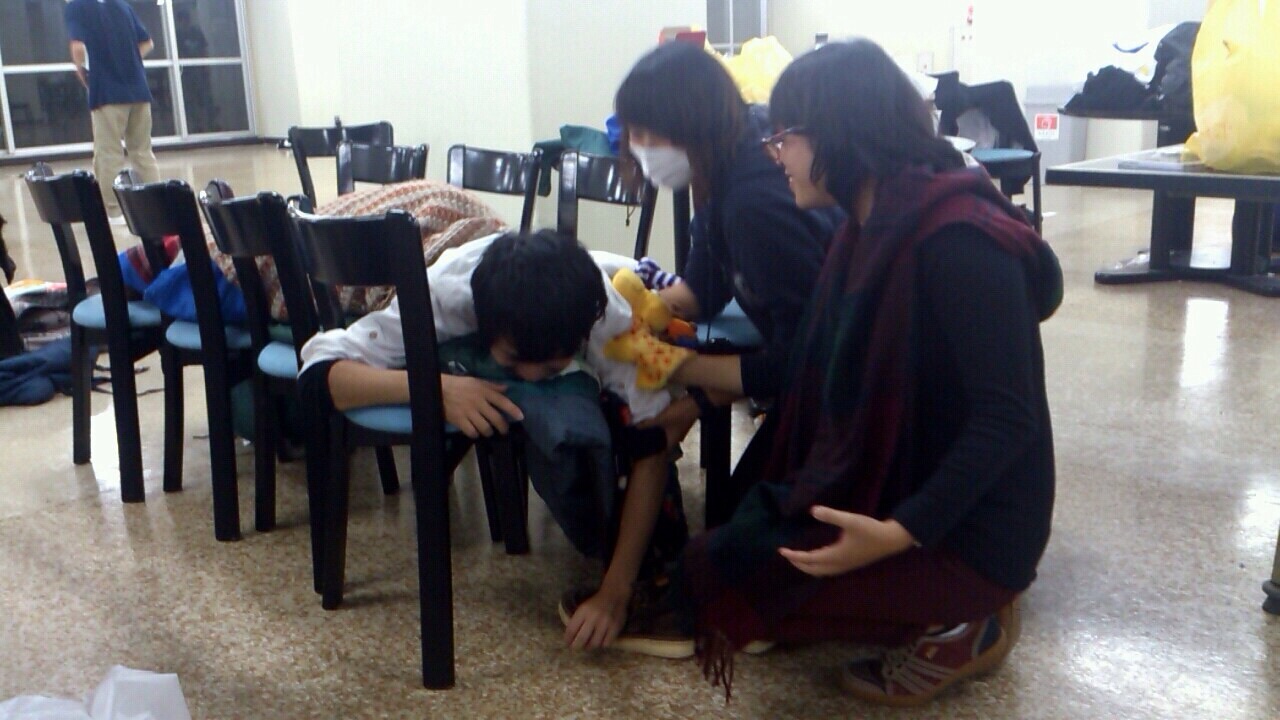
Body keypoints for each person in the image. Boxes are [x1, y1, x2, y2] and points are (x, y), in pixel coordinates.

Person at [578, 39, 1063, 707]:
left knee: (757, 584)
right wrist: (692, 396)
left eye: (787, 137)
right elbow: (816, 360)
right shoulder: (873, 225)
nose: (775, 152)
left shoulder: (959, 241)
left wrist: (898, 531)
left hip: (975, 529)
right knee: (731, 550)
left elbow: (1007, 420)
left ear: (842, 132)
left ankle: (968, 617)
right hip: (912, 464)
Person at [298, 229, 689, 651]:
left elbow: (655, 446)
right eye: (514, 361)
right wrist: (437, 389)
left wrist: (615, 592)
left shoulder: (608, 324)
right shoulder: (446, 297)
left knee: (625, 427)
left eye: (551, 367)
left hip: (620, 282)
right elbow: (319, 374)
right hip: (460, 302)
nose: (530, 376)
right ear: (484, 328)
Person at [608, 42, 843, 460]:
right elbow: (704, 290)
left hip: (843, 395)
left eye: (645, 134)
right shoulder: (724, 158)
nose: (637, 147)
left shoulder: (754, 206)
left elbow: (805, 358)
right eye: (632, 134)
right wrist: (631, 311)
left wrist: (671, 364)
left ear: (692, 124)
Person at [64, 0, 161, 224]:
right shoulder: (122, 6)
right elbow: (147, 42)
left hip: (107, 93)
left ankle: (114, 211)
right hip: (139, 91)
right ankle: (155, 205)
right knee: (142, 152)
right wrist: (127, 60)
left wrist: (83, 73)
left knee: (108, 153)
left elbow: (78, 48)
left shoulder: (77, 6)